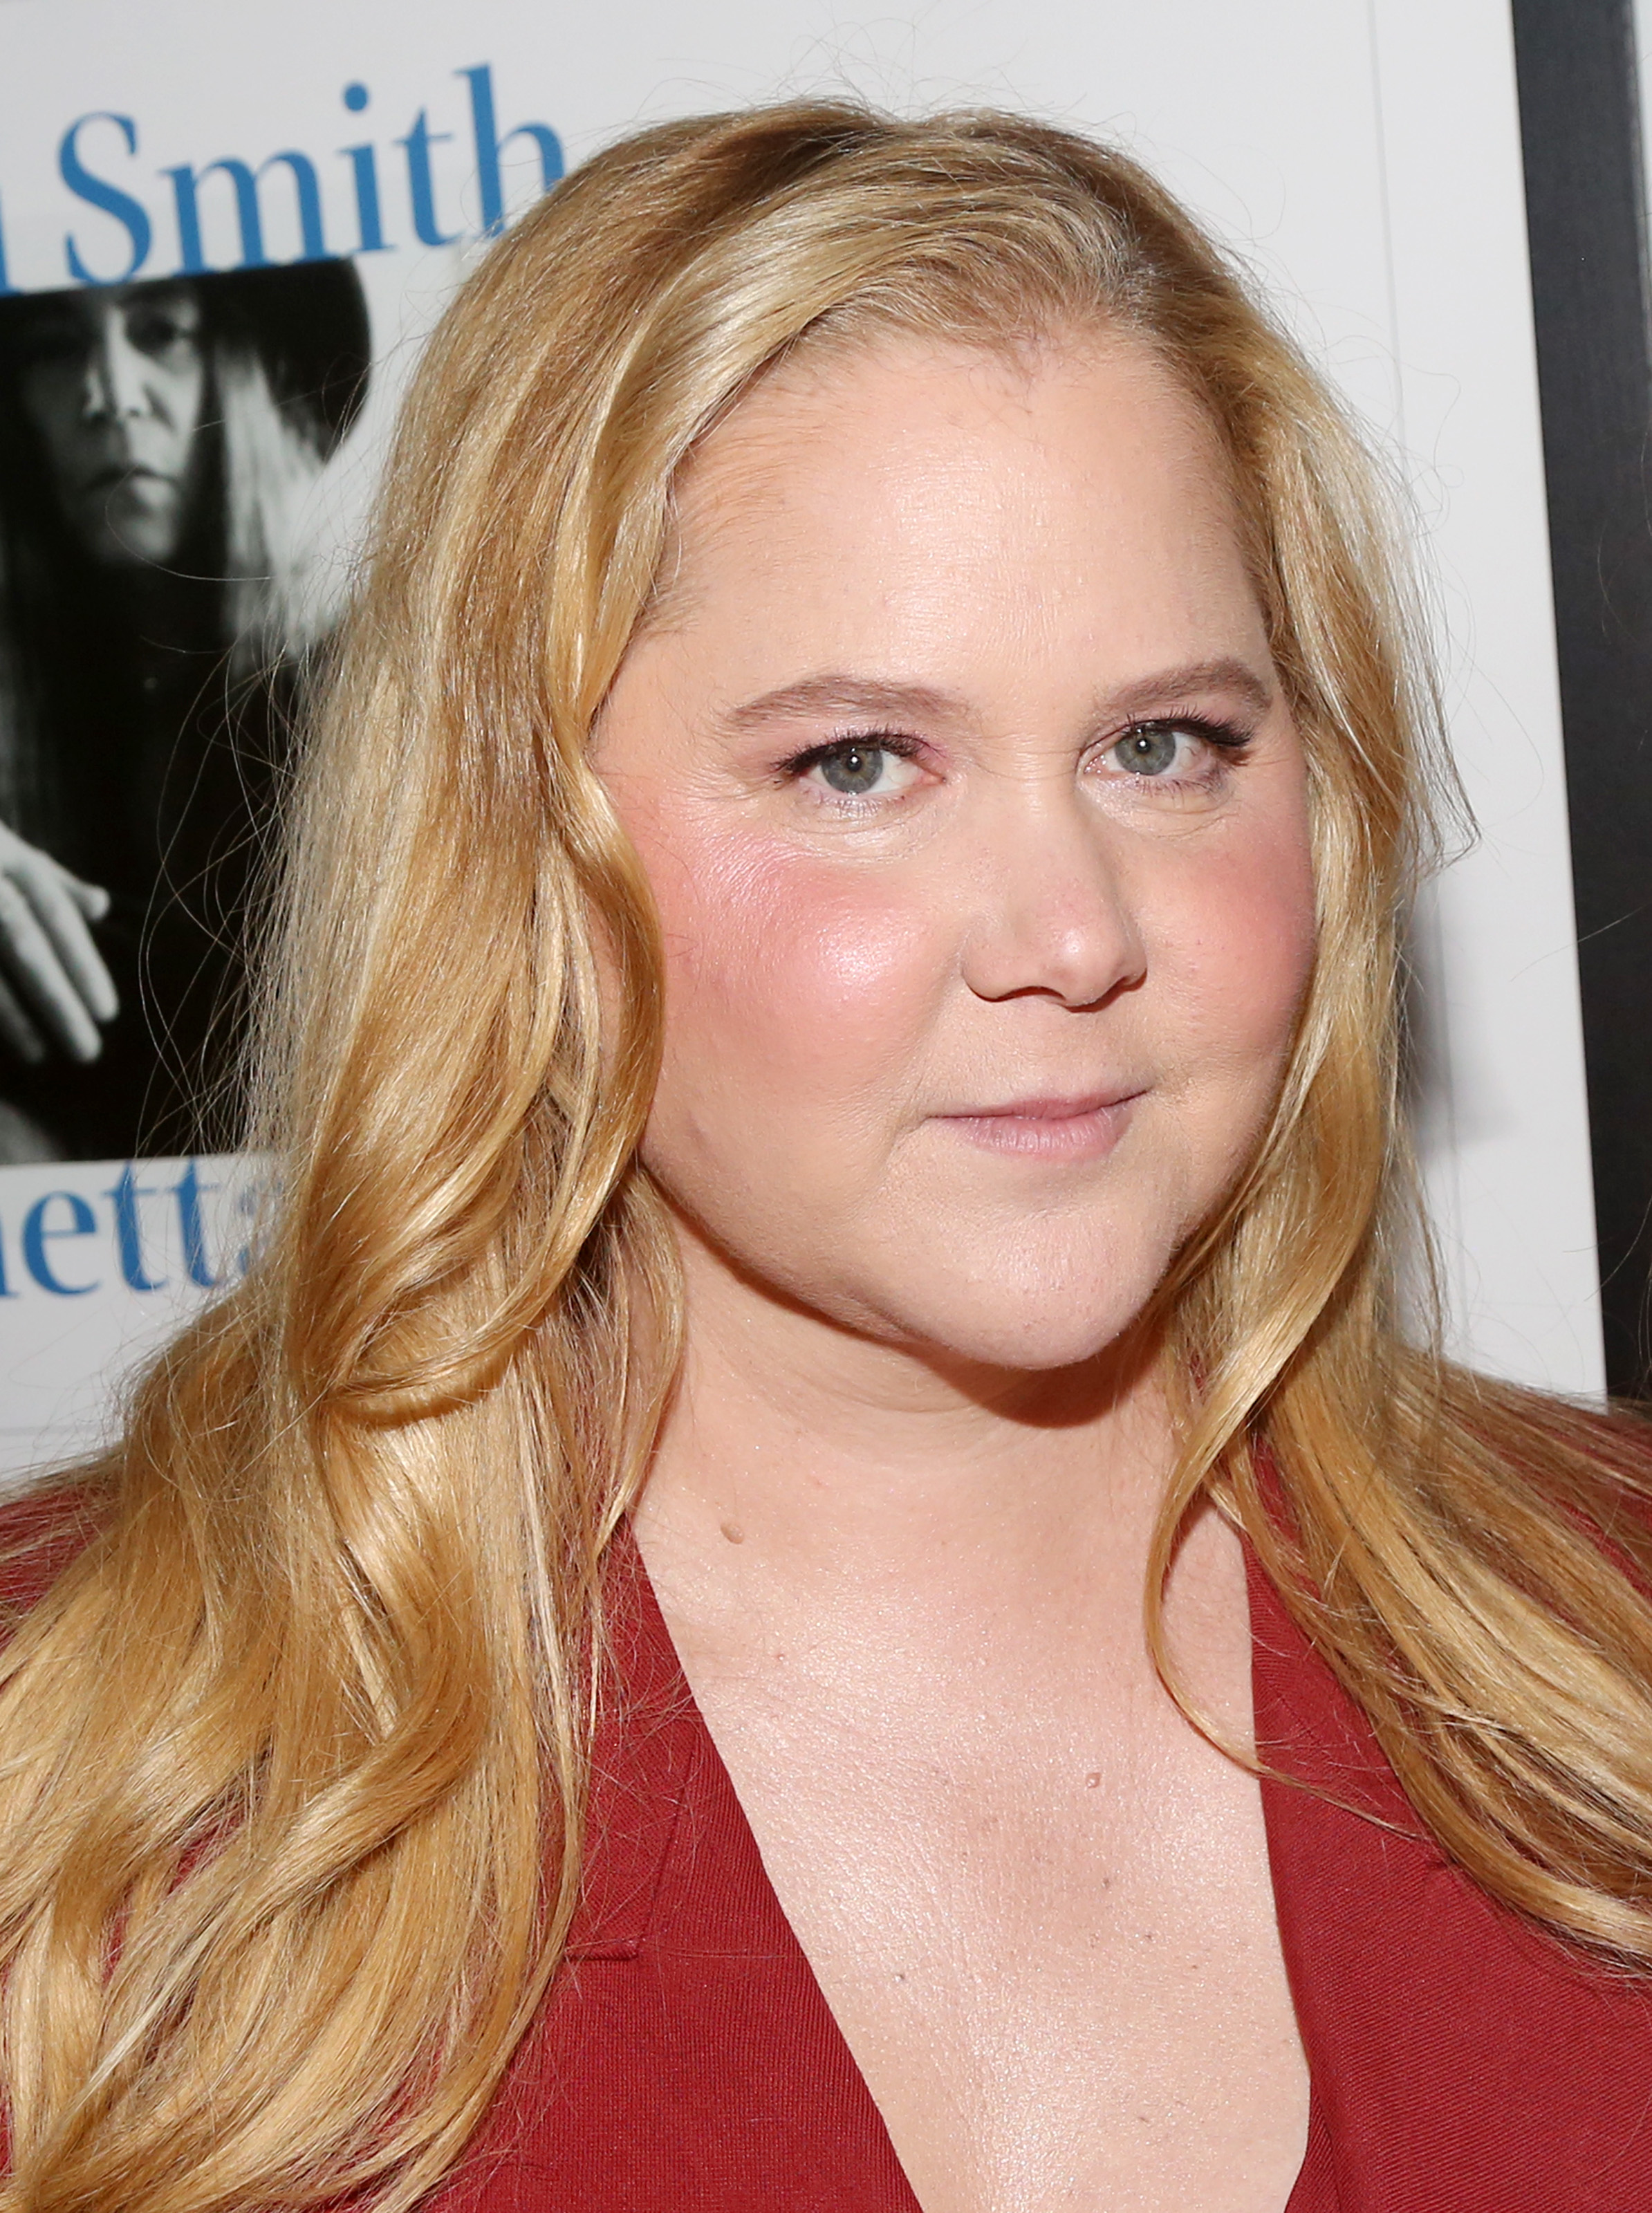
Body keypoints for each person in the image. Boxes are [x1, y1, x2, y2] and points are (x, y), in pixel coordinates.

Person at [1, 101, 1651, 2213]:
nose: (1070, 937)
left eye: (1166, 746)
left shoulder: (1607, 1641)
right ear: (513, 847)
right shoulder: (86, 1790)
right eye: (857, 763)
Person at [0, 260, 369, 1163]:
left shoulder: (375, 692)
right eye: (54, 351)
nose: (110, 396)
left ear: (234, 374)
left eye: (160, 334)